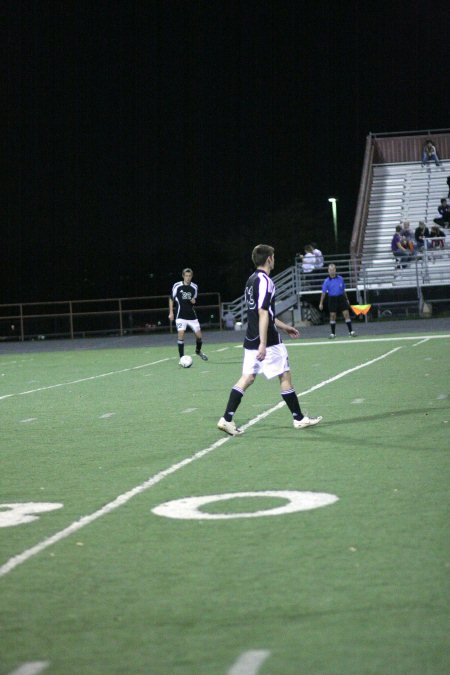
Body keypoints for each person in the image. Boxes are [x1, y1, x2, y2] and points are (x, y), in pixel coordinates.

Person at [217, 244, 322, 436]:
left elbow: (265, 314)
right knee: (284, 375)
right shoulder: (266, 281)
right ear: (268, 259)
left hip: (250, 336)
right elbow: (263, 313)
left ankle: (226, 419)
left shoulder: (251, 280)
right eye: (273, 256)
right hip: (268, 339)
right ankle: (298, 418)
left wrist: (285, 326)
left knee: (247, 377)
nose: (274, 259)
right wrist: (264, 344)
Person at [168, 268, 208, 363]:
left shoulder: (194, 287)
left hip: (191, 316)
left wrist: (193, 301)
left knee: (199, 336)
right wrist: (171, 312)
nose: (188, 278)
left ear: (192, 276)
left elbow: (194, 300)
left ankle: (198, 351)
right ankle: (182, 358)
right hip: (180, 315)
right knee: (181, 335)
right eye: (186, 276)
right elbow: (171, 298)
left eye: (190, 276)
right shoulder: (177, 286)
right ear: (183, 276)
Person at [319, 264, 356, 339]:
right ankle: (333, 333)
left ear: (335, 270)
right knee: (332, 316)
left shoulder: (340, 279)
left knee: (346, 314)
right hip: (332, 299)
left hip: (341, 298)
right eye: (330, 270)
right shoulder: (326, 281)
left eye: (333, 270)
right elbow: (323, 293)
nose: (332, 271)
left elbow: (343, 290)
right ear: (328, 271)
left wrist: (347, 299)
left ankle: (351, 331)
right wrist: (321, 303)